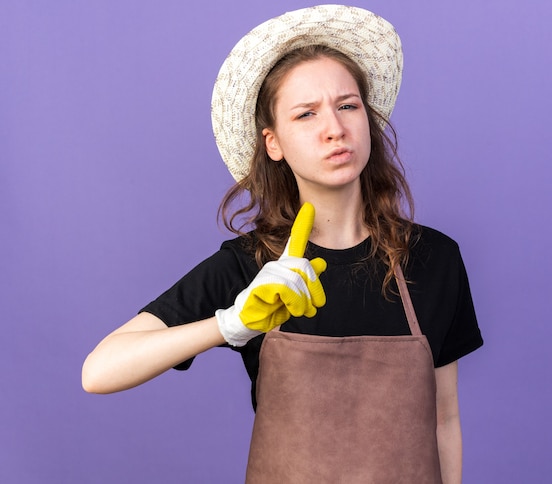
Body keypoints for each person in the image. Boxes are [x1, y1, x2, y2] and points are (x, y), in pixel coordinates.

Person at [82, 5, 483, 483]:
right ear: (273, 143)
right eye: (306, 114)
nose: (334, 127)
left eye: (348, 105)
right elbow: (99, 371)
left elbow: (444, 420)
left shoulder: (434, 258)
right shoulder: (252, 267)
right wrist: (229, 325)